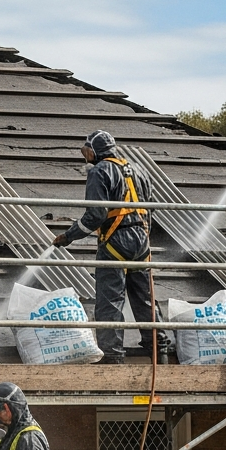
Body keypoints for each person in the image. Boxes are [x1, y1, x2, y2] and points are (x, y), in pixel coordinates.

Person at [52, 130, 163, 364]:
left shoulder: (99, 171)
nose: (84, 155)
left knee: (109, 301)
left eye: (85, 150)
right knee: (145, 299)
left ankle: (112, 358)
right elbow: (149, 209)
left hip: (115, 242)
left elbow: (95, 215)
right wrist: (143, 237)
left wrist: (69, 236)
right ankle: (159, 351)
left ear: (93, 150)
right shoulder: (140, 170)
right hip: (142, 242)